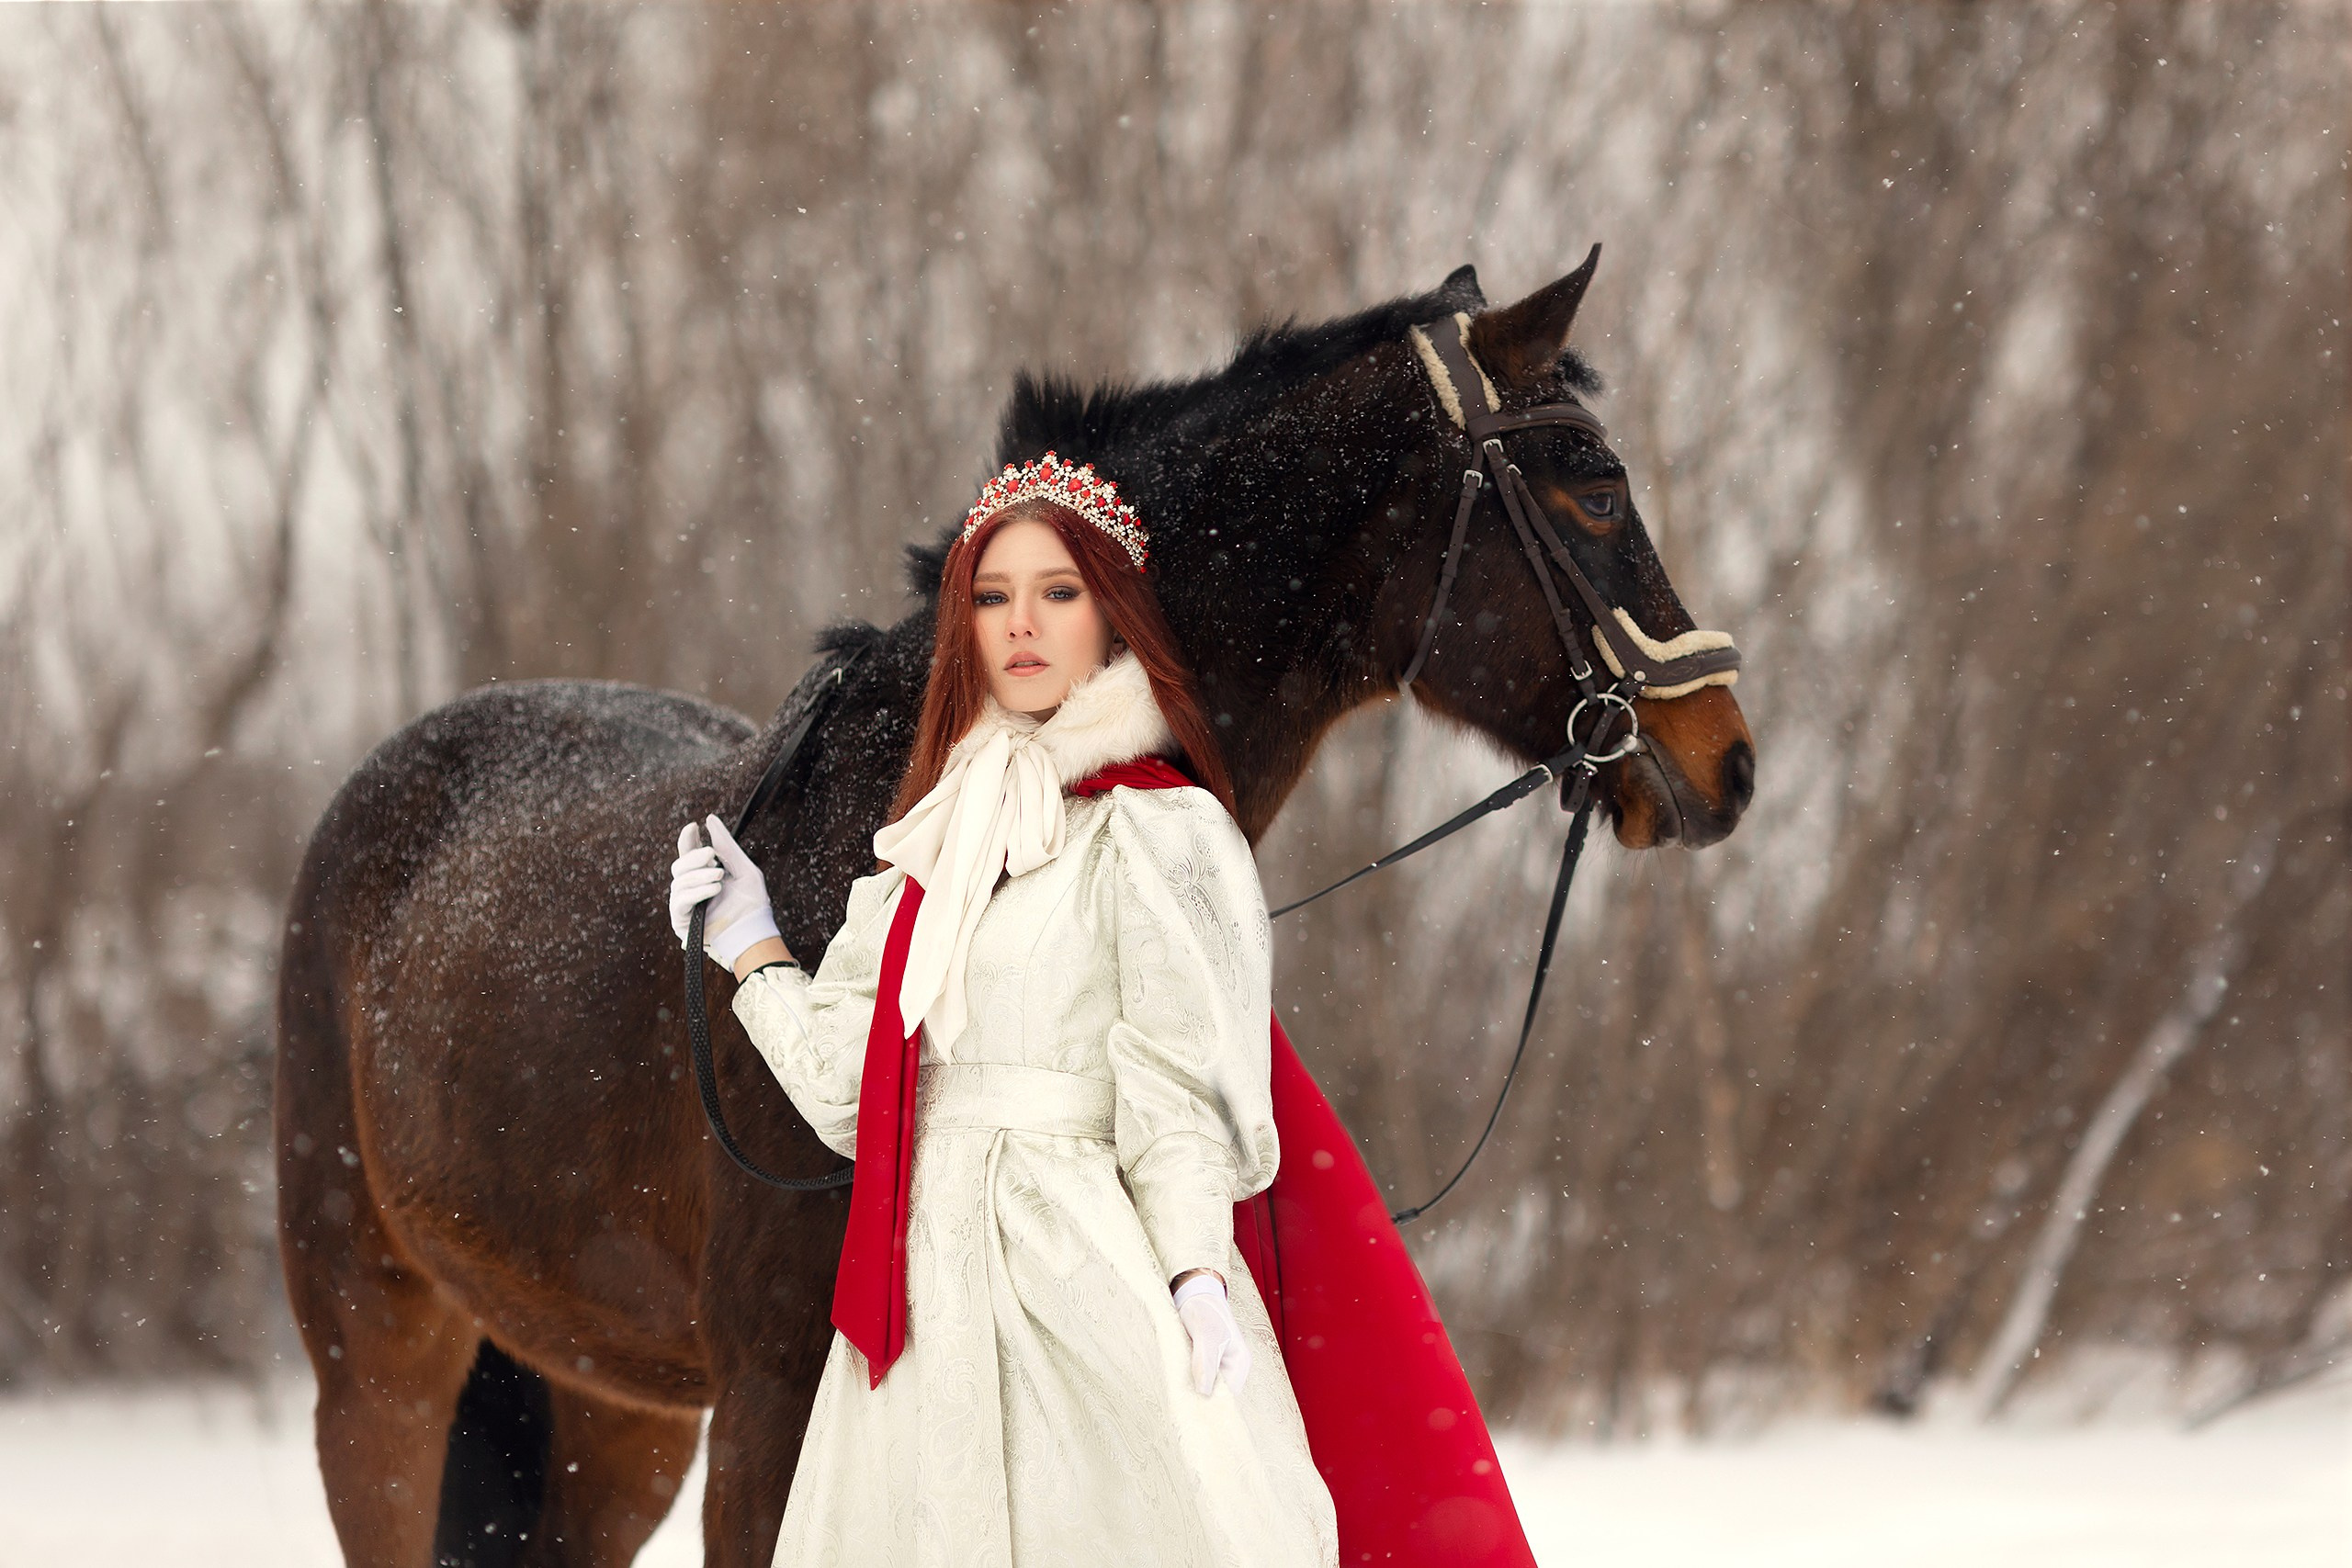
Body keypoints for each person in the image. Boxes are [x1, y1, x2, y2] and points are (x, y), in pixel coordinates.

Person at [666, 452, 1340, 1566]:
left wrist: (1193, 1271)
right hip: (920, 1302)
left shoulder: (1159, 830)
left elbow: (1178, 1089)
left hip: (1081, 1271)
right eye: (992, 596)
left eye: (1057, 592)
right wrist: (753, 947)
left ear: (1111, 619)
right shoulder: (931, 845)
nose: (1020, 623)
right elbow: (848, 1097)